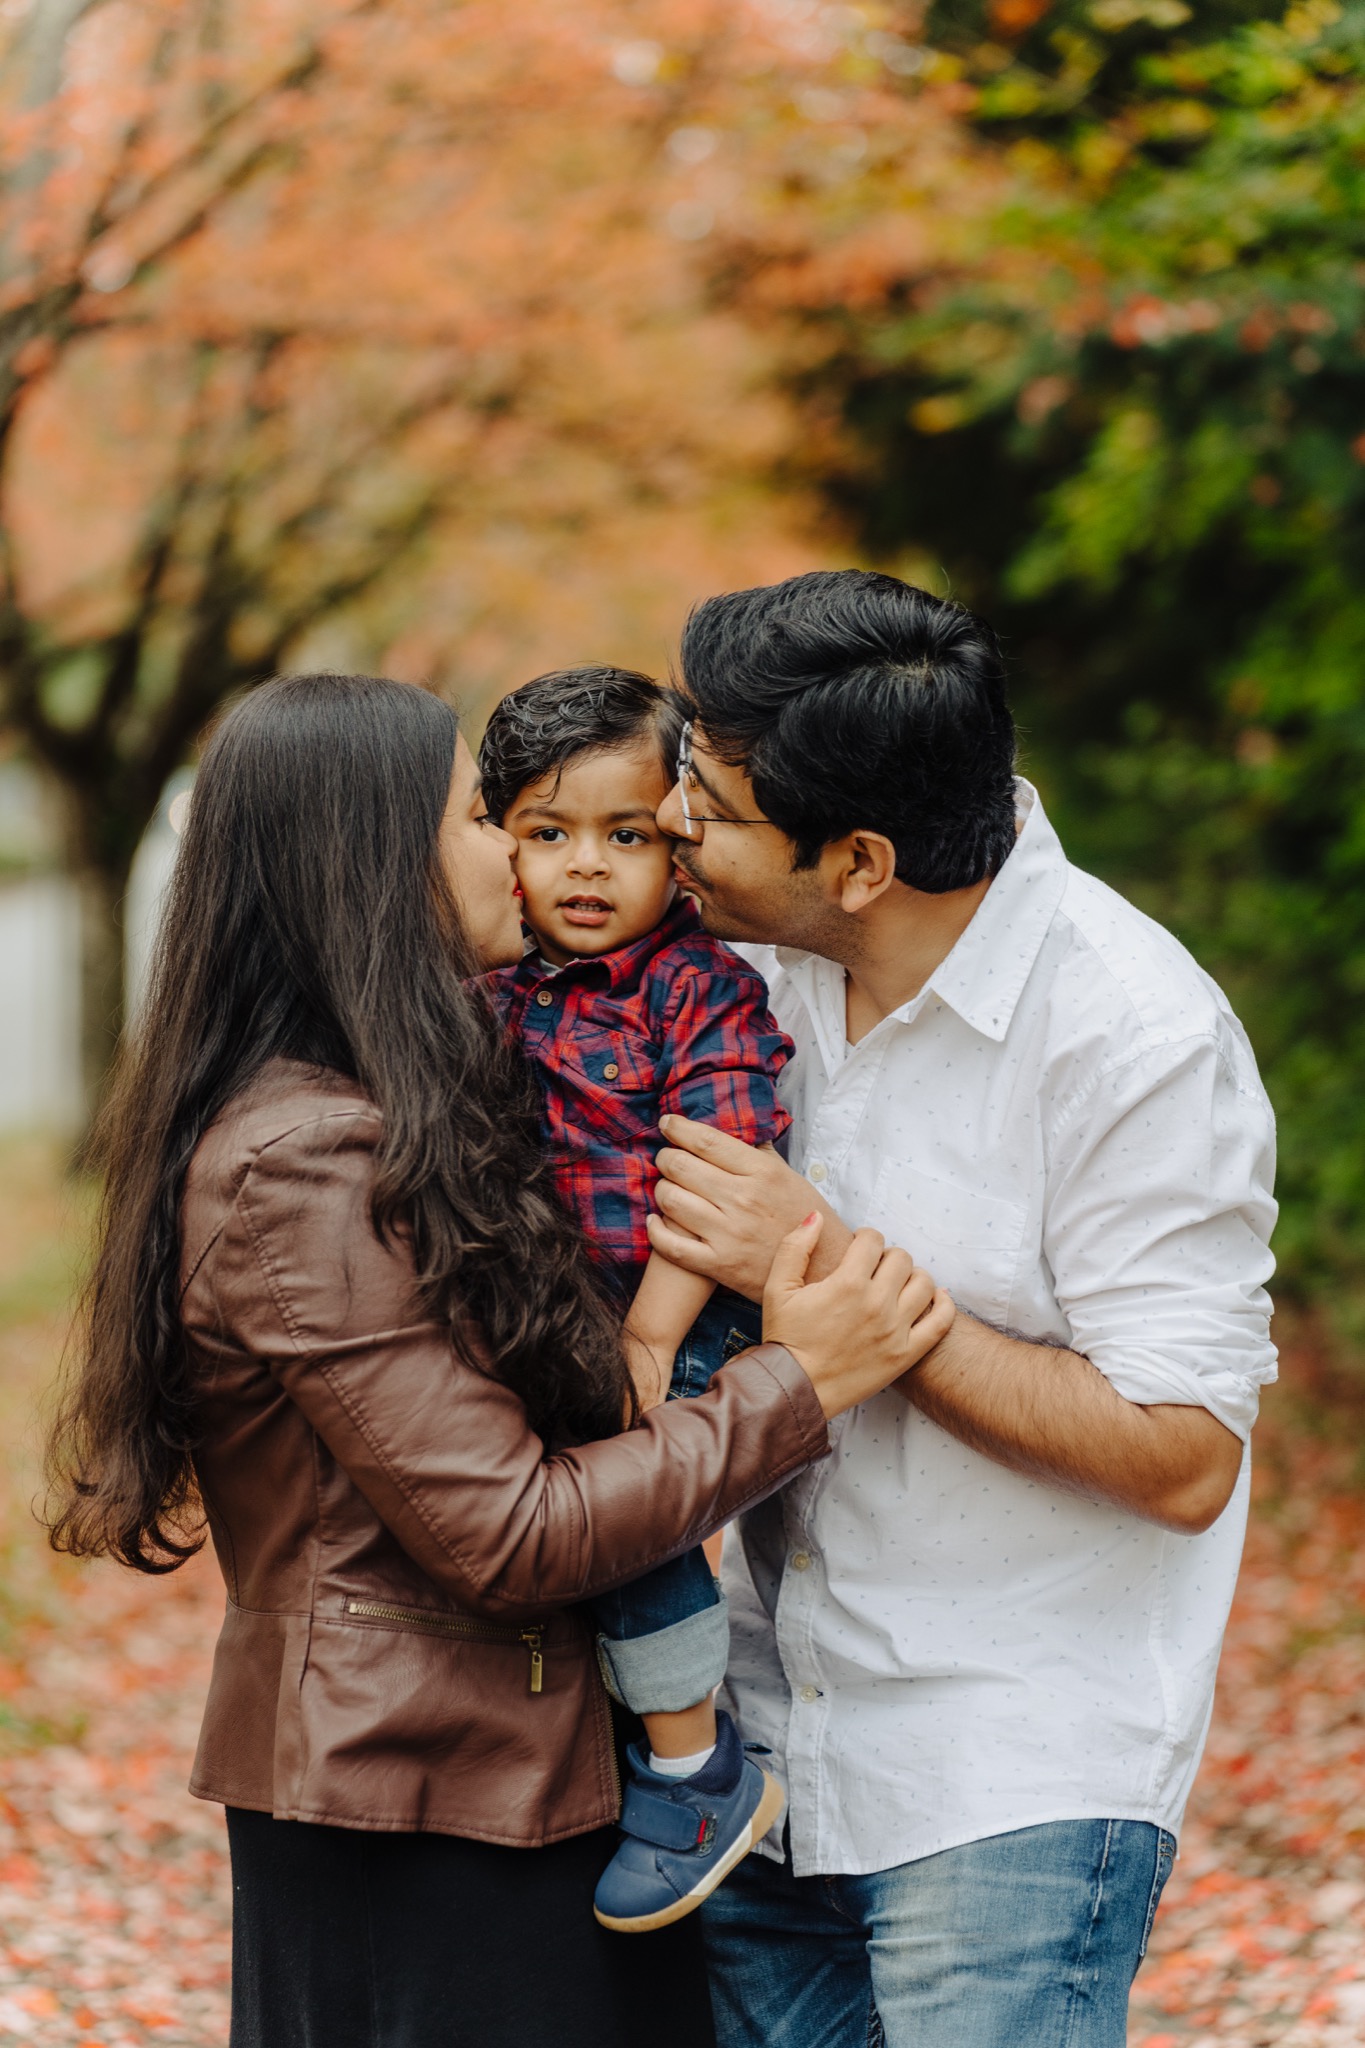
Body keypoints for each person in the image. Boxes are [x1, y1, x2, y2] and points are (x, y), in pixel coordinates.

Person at [42, 671, 955, 2048]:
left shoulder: (413, 1090)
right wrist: (801, 1381)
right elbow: (512, 1533)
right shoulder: (308, 1155)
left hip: (495, 1784)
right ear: (373, 858)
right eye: (486, 815)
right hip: (422, 1819)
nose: (525, 857)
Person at [639, 571, 1278, 2048]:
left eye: (710, 800)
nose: (674, 816)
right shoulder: (735, 971)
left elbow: (1184, 1455)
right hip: (753, 1745)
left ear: (860, 861)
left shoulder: (1131, 1036)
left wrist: (848, 1284)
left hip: (1012, 1769)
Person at [479, 666, 805, 1934]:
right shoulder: (496, 984)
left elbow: (723, 1156)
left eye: (627, 835)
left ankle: (695, 1765)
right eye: (546, 833)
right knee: (552, 1528)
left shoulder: (695, 983)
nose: (585, 868)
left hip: (676, 1292)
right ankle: (634, 1725)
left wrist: (656, 1333)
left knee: (631, 1514)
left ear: (679, 842)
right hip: (563, 1307)